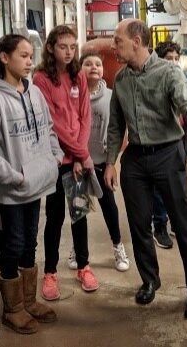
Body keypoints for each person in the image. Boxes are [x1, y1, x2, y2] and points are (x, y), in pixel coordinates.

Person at [104, 18, 187, 319]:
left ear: (137, 41)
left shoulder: (169, 72)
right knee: (138, 224)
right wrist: (111, 162)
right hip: (135, 157)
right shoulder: (120, 79)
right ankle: (150, 280)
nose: (113, 46)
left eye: (117, 40)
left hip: (167, 155)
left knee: (183, 225)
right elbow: (115, 126)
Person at [0, 34, 63, 335]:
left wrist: (55, 156)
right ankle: (13, 309)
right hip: (12, 191)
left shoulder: (34, 93)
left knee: (29, 244)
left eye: (30, 55)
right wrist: (14, 175)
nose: (29, 60)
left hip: (37, 184)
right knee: (12, 245)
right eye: (23, 55)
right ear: (5, 58)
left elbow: (48, 128)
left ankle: (28, 301)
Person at [33, 25, 99, 299]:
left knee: (79, 214)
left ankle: (83, 266)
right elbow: (53, 123)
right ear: (50, 48)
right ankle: (50, 272)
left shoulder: (79, 75)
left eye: (73, 47)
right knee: (55, 217)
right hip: (56, 158)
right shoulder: (41, 79)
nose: (69, 52)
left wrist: (81, 153)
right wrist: (78, 154)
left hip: (77, 158)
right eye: (63, 47)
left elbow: (85, 115)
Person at [80, 52, 130, 272]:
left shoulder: (111, 95)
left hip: (101, 162)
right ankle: (78, 250)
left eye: (98, 64)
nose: (93, 67)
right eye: (88, 63)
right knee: (78, 210)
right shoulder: (73, 96)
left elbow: (118, 130)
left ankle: (118, 246)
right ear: (79, 68)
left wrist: (113, 160)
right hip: (78, 162)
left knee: (109, 206)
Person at [150, 41, 187, 250]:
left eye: (177, 59)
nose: (174, 63)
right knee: (160, 189)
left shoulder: (182, 80)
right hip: (162, 143)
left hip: (181, 140)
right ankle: (159, 226)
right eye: (169, 59)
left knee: (180, 185)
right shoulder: (155, 82)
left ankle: (176, 223)